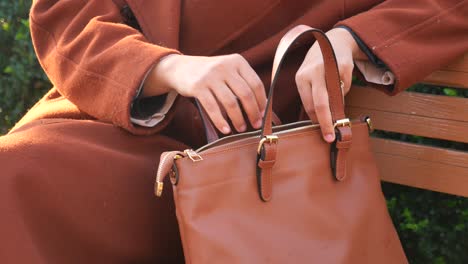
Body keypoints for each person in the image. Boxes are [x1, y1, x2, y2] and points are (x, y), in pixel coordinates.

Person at [0, 0, 466, 262]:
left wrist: (353, 39)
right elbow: (65, 15)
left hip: (251, 158)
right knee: (12, 179)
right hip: (121, 122)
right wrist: (168, 68)